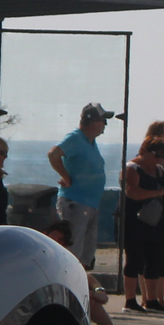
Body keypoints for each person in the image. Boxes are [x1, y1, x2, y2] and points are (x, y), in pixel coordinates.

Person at [44, 219, 149, 325]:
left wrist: (99, 290)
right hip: (46, 308)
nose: (56, 242)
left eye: (61, 240)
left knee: (90, 300)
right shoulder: (39, 257)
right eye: (54, 237)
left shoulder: (62, 258)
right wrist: (92, 293)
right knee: (74, 297)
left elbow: (88, 277)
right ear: (45, 235)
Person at [118, 124, 164, 313]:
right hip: (134, 220)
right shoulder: (132, 168)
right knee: (134, 259)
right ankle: (130, 300)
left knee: (155, 259)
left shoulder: (159, 171)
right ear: (144, 151)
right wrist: (157, 193)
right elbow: (132, 192)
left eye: (162, 157)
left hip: (155, 221)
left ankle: (152, 300)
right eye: (156, 156)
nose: (159, 160)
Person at [47, 103, 113, 274]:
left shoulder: (90, 142)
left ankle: (80, 284)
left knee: (86, 253)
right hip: (75, 203)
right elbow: (53, 154)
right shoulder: (75, 138)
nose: (105, 124)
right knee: (72, 250)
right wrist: (65, 177)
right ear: (93, 122)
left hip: (91, 204)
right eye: (103, 120)